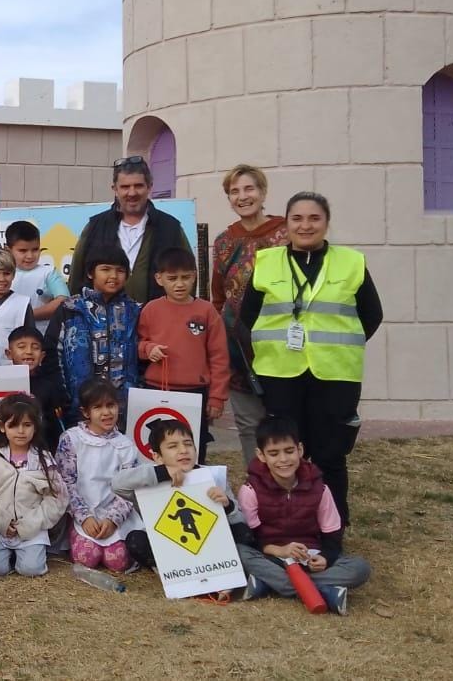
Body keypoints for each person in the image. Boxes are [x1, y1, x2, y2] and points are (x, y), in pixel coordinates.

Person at [241, 192, 382, 524]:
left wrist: (338, 346)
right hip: (280, 375)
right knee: (285, 454)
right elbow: (246, 319)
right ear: (286, 224)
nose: (306, 226)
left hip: (335, 376)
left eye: (314, 218)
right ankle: (285, 523)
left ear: (326, 223)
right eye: (297, 219)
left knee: (330, 455)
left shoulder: (352, 262)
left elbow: (371, 316)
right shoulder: (266, 261)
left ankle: (332, 528)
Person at [235, 416, 372, 615]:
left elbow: (333, 536)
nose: (283, 460)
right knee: (239, 553)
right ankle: (324, 590)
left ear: (299, 450)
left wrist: (325, 557)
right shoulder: (250, 490)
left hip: (310, 558)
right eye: (274, 453)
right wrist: (281, 551)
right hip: (273, 558)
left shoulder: (320, 488)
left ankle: (270, 584)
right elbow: (251, 539)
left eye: (289, 451)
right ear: (261, 455)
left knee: (360, 568)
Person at [209, 164, 290, 468]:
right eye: (235, 191)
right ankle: (257, 490)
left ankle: (291, 493)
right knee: (248, 425)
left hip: (282, 347)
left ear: (263, 192)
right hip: (239, 349)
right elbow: (218, 296)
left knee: (285, 422)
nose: (243, 196)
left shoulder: (286, 232)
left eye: (249, 189)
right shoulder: (224, 241)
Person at [110, 417, 244, 575]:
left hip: (209, 541)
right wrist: (161, 472)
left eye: (188, 444)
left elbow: (240, 518)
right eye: (173, 446)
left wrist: (228, 506)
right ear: (157, 456)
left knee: (243, 533)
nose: (183, 450)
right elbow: (118, 484)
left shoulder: (212, 476)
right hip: (168, 543)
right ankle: (168, 570)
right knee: (136, 540)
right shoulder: (150, 478)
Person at [138, 247, 230, 463]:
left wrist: (217, 396)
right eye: (172, 278)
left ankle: (195, 491)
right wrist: (148, 349)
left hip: (195, 392)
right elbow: (138, 343)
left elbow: (219, 356)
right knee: (157, 447)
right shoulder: (150, 310)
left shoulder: (207, 311)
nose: (179, 284)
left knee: (193, 447)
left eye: (185, 277)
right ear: (159, 279)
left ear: (195, 276)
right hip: (157, 389)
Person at [66, 156, 193, 304]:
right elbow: (76, 278)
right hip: (102, 322)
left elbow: (188, 274)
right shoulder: (95, 226)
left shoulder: (170, 227)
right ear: (115, 189)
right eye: (125, 187)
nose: (132, 193)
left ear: (150, 186)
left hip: (157, 322)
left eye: (138, 186)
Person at [56, 378, 142, 573]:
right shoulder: (72, 439)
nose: (106, 412)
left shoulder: (125, 445)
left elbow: (131, 486)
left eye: (110, 405)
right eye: (98, 407)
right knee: (87, 558)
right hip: (83, 512)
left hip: (113, 512)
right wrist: (84, 517)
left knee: (118, 562)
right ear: (86, 412)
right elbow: (65, 481)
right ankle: (76, 535)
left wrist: (113, 519)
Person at [50, 244, 141, 424]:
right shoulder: (71, 309)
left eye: (120, 270)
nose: (113, 276)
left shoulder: (135, 311)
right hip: (78, 409)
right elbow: (52, 353)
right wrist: (64, 397)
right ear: (91, 273)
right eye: (105, 269)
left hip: (124, 410)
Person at [0, 394, 65, 578]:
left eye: (27, 425)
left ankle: (30, 553)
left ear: (35, 426)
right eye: (14, 425)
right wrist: (1, 522)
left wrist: (30, 524)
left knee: (31, 569)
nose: (21, 431)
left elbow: (57, 498)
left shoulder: (44, 460)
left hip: (31, 530)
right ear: (3, 427)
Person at [6, 220, 60, 334]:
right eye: (23, 251)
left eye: (35, 249)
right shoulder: (1, 274)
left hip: (43, 338)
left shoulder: (49, 272)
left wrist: (27, 315)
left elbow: (63, 300)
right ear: (8, 250)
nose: (30, 256)